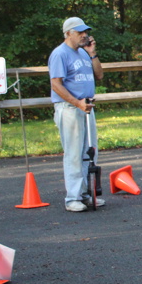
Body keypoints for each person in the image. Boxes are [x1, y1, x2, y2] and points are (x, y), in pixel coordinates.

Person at [48, 16, 105, 212]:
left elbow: (99, 75)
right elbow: (56, 85)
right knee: (73, 153)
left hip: (87, 106)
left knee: (89, 152)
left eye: (85, 32)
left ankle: (86, 194)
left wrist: (92, 54)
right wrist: (77, 103)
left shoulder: (83, 53)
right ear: (68, 33)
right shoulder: (60, 54)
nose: (84, 35)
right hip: (70, 108)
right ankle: (72, 198)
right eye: (80, 32)